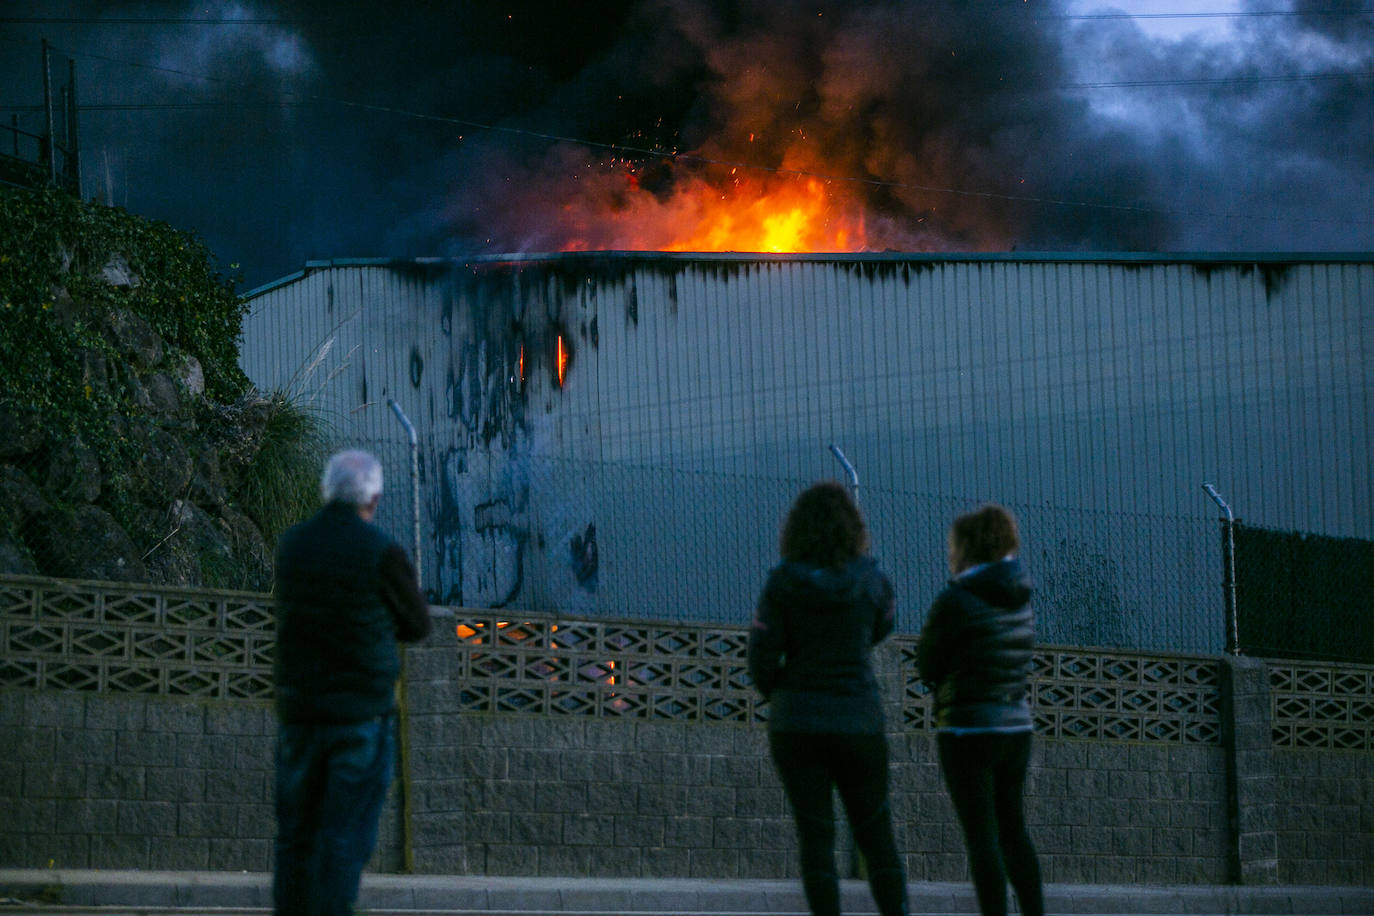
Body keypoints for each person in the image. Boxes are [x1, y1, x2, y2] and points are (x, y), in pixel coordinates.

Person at [271, 449, 431, 916]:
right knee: (344, 836)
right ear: (374, 497)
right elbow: (418, 624)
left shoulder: (293, 545)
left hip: (300, 714)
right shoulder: (381, 551)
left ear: (327, 489)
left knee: (295, 835)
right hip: (360, 716)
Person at [749, 481, 909, 916]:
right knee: (877, 837)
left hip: (797, 724)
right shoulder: (873, 582)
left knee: (815, 839)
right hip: (858, 719)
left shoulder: (781, 585)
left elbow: (760, 657)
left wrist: (783, 692)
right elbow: (882, 628)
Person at [917, 504, 1043, 916]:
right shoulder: (1020, 596)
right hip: (1016, 726)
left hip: (968, 728)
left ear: (965, 548)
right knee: (1014, 831)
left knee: (982, 838)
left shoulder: (957, 599)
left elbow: (928, 664)